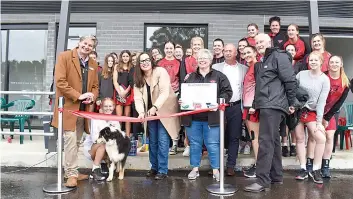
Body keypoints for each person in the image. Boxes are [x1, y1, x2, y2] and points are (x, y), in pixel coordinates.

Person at [244, 33, 297, 192]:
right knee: (273, 141)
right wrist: (255, 104)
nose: (259, 44)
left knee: (265, 141)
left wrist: (292, 102)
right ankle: (276, 176)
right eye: (257, 42)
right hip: (267, 104)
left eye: (262, 41)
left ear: (270, 42)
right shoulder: (264, 60)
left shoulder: (278, 56)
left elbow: (290, 80)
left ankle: (261, 180)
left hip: (273, 105)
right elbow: (262, 86)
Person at [51, 35, 99, 188]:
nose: (87, 47)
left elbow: (95, 86)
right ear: (79, 43)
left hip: (83, 110)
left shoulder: (93, 63)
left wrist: (92, 96)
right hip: (68, 108)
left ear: (93, 48)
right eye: (85, 43)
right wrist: (79, 96)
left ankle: (72, 171)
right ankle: (71, 174)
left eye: (90, 45)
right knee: (70, 140)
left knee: (77, 141)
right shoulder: (64, 57)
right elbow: (60, 82)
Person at [181, 49, 232, 181]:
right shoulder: (190, 77)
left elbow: (228, 92)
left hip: (212, 118)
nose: (202, 60)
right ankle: (195, 169)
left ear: (210, 60)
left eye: (205, 58)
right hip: (194, 119)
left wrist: (219, 101)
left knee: (213, 144)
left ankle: (216, 170)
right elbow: (184, 95)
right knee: (195, 143)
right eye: (200, 58)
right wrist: (182, 100)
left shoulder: (219, 76)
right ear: (196, 61)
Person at [134, 52, 180, 180]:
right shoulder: (138, 78)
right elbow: (137, 98)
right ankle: (154, 167)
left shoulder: (160, 71)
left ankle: (162, 170)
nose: (145, 62)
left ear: (151, 60)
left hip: (164, 111)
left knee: (163, 141)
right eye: (142, 61)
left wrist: (155, 107)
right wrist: (141, 112)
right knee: (152, 141)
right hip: (150, 114)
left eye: (147, 59)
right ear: (139, 64)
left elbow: (165, 92)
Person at [309, 55, 349, 179]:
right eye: (332, 62)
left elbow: (339, 103)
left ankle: (325, 165)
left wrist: (326, 118)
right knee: (315, 135)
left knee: (329, 136)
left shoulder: (345, 82)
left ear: (341, 64)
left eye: (337, 62)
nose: (334, 64)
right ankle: (311, 163)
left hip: (331, 112)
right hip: (316, 110)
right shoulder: (322, 76)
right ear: (328, 64)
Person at [294, 51, 330, 184]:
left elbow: (322, 102)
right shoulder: (301, 75)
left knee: (320, 138)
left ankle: (316, 169)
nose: (313, 62)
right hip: (297, 110)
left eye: (316, 60)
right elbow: (292, 89)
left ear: (321, 62)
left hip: (312, 112)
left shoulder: (324, 79)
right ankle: (303, 168)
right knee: (300, 138)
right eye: (311, 60)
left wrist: (319, 122)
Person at [213, 44, 248, 176]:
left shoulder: (243, 69)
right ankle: (217, 165)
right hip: (220, 107)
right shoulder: (216, 67)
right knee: (218, 136)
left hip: (236, 107)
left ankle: (230, 165)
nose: (227, 53)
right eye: (225, 51)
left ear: (236, 53)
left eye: (230, 51)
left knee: (234, 136)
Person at [84, 98, 121, 181]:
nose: (108, 108)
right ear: (101, 108)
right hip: (92, 148)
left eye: (110, 106)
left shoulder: (115, 120)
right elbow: (95, 139)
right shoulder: (96, 119)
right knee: (103, 144)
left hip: (108, 148)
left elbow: (118, 137)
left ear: (114, 107)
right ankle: (95, 169)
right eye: (106, 106)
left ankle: (107, 165)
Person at [241, 46, 260, 178]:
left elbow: (261, 86)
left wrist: (255, 105)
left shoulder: (257, 66)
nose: (247, 54)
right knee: (253, 137)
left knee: (256, 138)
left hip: (253, 108)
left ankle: (259, 167)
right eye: (245, 53)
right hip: (247, 106)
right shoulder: (249, 67)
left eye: (249, 52)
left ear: (255, 53)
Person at [113, 50, 134, 137]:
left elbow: (132, 81)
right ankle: (118, 136)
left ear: (129, 57)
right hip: (118, 92)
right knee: (119, 116)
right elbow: (115, 81)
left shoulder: (132, 67)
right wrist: (120, 92)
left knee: (127, 115)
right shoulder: (117, 66)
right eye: (124, 56)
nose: (125, 58)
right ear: (121, 57)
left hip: (128, 93)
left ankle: (128, 136)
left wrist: (126, 91)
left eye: (127, 56)